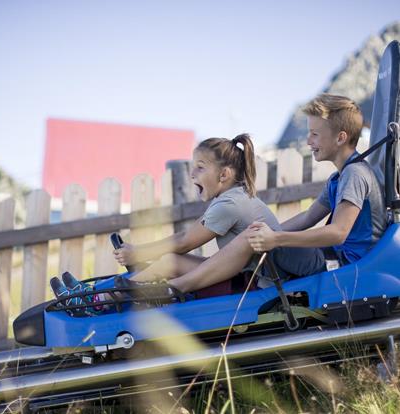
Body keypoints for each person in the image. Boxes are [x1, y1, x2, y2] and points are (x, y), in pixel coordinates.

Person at [149, 93, 386, 294]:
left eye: (314, 133)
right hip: (330, 257)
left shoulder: (354, 175)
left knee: (250, 238)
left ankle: (175, 288)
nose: (308, 140)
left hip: (343, 266)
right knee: (254, 235)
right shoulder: (339, 177)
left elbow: (338, 233)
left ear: (340, 137)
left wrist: (275, 239)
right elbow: (307, 218)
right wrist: (271, 233)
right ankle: (179, 282)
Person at [50, 133, 280, 310]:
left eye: (200, 168)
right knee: (170, 262)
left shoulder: (229, 204)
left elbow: (184, 242)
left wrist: (138, 253)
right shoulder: (234, 198)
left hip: (256, 286)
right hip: (246, 277)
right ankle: (94, 293)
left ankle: (97, 300)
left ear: (224, 175)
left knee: (169, 261)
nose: (192, 175)